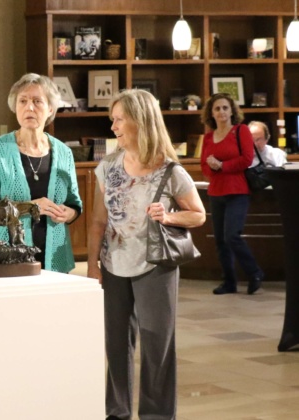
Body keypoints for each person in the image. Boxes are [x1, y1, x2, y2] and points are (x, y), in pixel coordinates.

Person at [87, 89, 205, 420]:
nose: (113, 126)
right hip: (113, 265)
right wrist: (93, 265)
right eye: (112, 119)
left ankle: (157, 415)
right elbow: (98, 222)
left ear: (140, 121)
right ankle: (117, 412)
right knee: (116, 344)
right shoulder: (107, 167)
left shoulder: (170, 171)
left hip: (155, 265)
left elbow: (198, 215)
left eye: (119, 119)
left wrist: (169, 217)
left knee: (157, 346)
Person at [0, 73, 82, 273]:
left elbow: (74, 203)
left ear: (50, 108)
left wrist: (69, 213)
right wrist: (29, 207)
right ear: (15, 107)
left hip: (54, 257)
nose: (29, 107)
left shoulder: (64, 152)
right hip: (8, 257)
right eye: (23, 101)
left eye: (37, 101)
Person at [200, 93, 265, 295]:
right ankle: (229, 282)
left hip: (238, 191)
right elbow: (204, 166)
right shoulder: (208, 137)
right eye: (217, 108)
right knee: (220, 240)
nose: (221, 112)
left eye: (225, 108)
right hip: (216, 192)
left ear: (232, 111)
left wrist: (222, 166)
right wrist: (213, 167)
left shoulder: (240, 130)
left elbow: (247, 159)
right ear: (211, 113)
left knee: (231, 236)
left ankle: (254, 272)